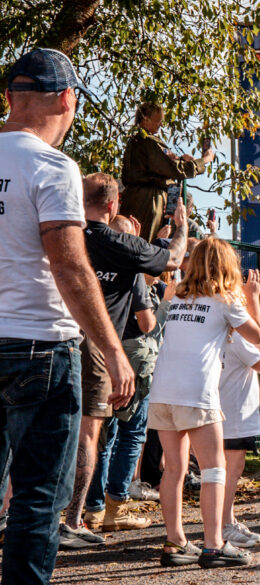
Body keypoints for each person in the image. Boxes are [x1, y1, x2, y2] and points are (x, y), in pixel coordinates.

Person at [0, 47, 136, 585]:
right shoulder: (52, 166)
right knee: (36, 499)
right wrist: (113, 350)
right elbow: (71, 267)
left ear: (10, 96)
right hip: (39, 347)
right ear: (66, 99)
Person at [59, 173, 187, 549]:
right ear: (113, 206)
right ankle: (72, 520)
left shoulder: (58, 233)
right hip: (98, 348)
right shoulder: (121, 244)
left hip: (50, 337)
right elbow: (174, 259)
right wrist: (181, 226)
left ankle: (15, 514)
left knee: (35, 428)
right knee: (89, 432)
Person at [148, 240, 260, 568]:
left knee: (173, 469)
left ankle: (175, 543)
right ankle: (214, 545)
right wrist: (252, 299)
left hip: (163, 391)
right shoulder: (226, 299)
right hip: (196, 392)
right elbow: (258, 337)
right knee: (215, 468)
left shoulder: (175, 294)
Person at [219, 309, 260, 547]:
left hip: (228, 411)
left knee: (230, 469)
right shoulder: (234, 336)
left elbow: (254, 354)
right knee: (231, 470)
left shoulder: (227, 335)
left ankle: (227, 519)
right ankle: (223, 525)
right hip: (234, 413)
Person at [120, 102, 214, 241]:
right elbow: (175, 168)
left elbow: (163, 163)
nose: (160, 124)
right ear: (145, 118)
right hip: (149, 201)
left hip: (136, 198)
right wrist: (204, 161)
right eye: (157, 120)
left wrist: (180, 159)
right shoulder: (148, 141)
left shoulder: (136, 141)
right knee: (147, 243)